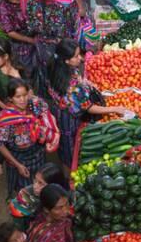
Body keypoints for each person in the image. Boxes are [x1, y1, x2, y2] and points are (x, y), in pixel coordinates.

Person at [47, 38, 132, 171]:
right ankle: (69, 171)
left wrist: (86, 83)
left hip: (60, 111)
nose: (80, 58)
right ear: (66, 60)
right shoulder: (71, 85)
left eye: (79, 53)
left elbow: (78, 80)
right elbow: (88, 107)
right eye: (76, 56)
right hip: (70, 119)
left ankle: (65, 164)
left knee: (65, 146)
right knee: (70, 147)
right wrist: (114, 109)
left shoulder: (56, 68)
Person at [0, 79, 60, 198]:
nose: (22, 100)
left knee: (40, 183)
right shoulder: (6, 119)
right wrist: (17, 165)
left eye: (25, 95)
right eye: (18, 96)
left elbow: (46, 112)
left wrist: (50, 135)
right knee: (26, 190)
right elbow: (0, 145)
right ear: (10, 98)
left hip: (37, 153)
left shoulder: (34, 105)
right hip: (20, 159)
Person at [26, 0, 78, 97]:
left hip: (39, 47)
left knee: (43, 74)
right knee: (56, 74)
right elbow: (66, 32)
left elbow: (30, 27)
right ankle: (58, 96)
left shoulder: (32, 3)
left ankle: (45, 93)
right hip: (55, 48)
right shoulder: (60, 8)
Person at [9, 162, 69, 231]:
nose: (35, 186)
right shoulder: (25, 196)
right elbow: (18, 224)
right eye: (35, 180)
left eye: (41, 183)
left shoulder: (63, 196)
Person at [0, 0, 37, 72]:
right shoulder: (3, 5)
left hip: (35, 32)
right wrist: (30, 40)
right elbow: (10, 32)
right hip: (19, 39)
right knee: (27, 65)